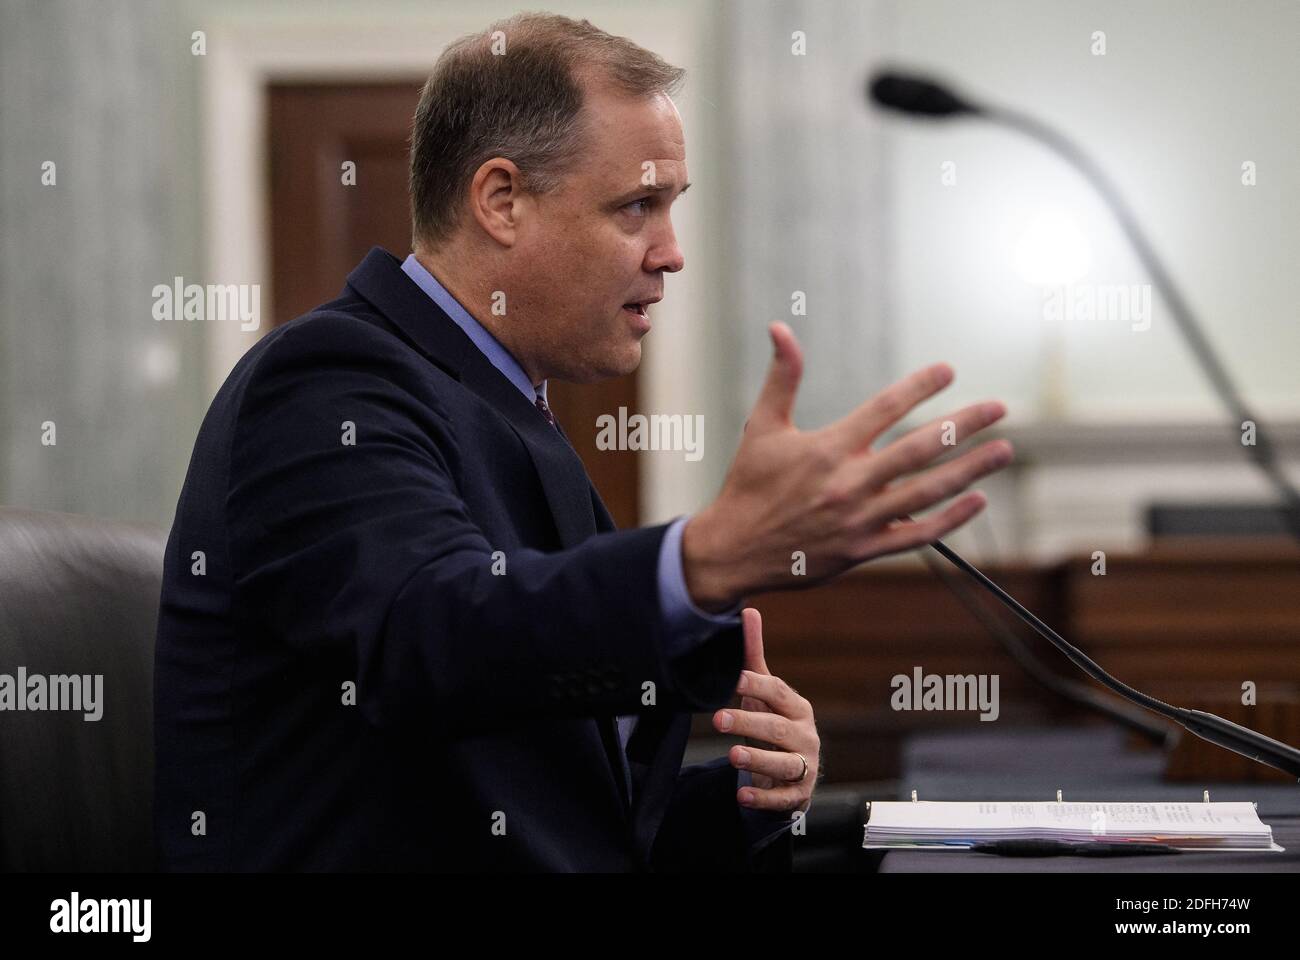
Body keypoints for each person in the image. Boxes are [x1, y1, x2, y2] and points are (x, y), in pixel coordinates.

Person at [153, 12, 1012, 872]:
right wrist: (701, 560)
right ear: (501, 202)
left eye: (672, 208)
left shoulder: (510, 410)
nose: (671, 253)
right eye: (638, 205)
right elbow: (433, 639)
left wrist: (756, 792)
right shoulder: (324, 379)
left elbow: (573, 819)